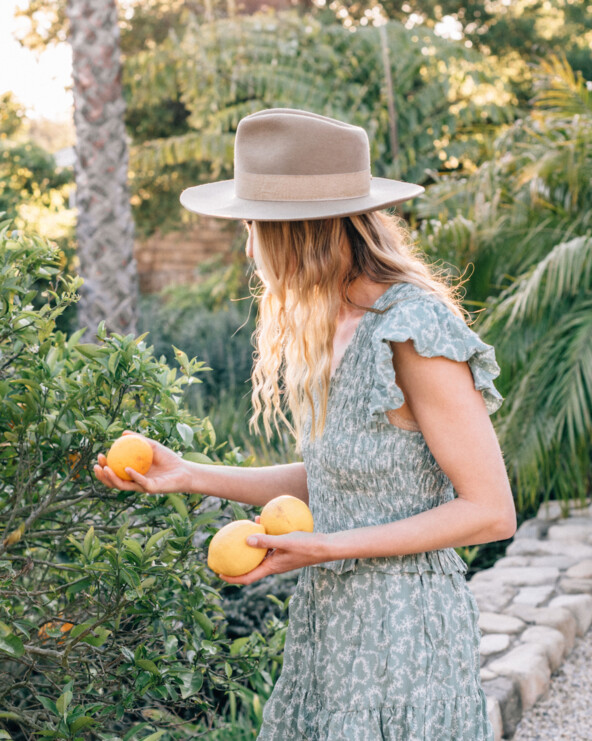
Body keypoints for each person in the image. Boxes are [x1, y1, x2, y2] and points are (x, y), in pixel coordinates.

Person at [95, 108, 516, 740]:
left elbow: (490, 511)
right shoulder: (332, 325)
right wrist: (188, 475)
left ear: (296, 231)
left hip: (402, 636)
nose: (251, 242)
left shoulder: (412, 329)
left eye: (255, 225)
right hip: (332, 624)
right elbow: (341, 482)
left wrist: (324, 547)